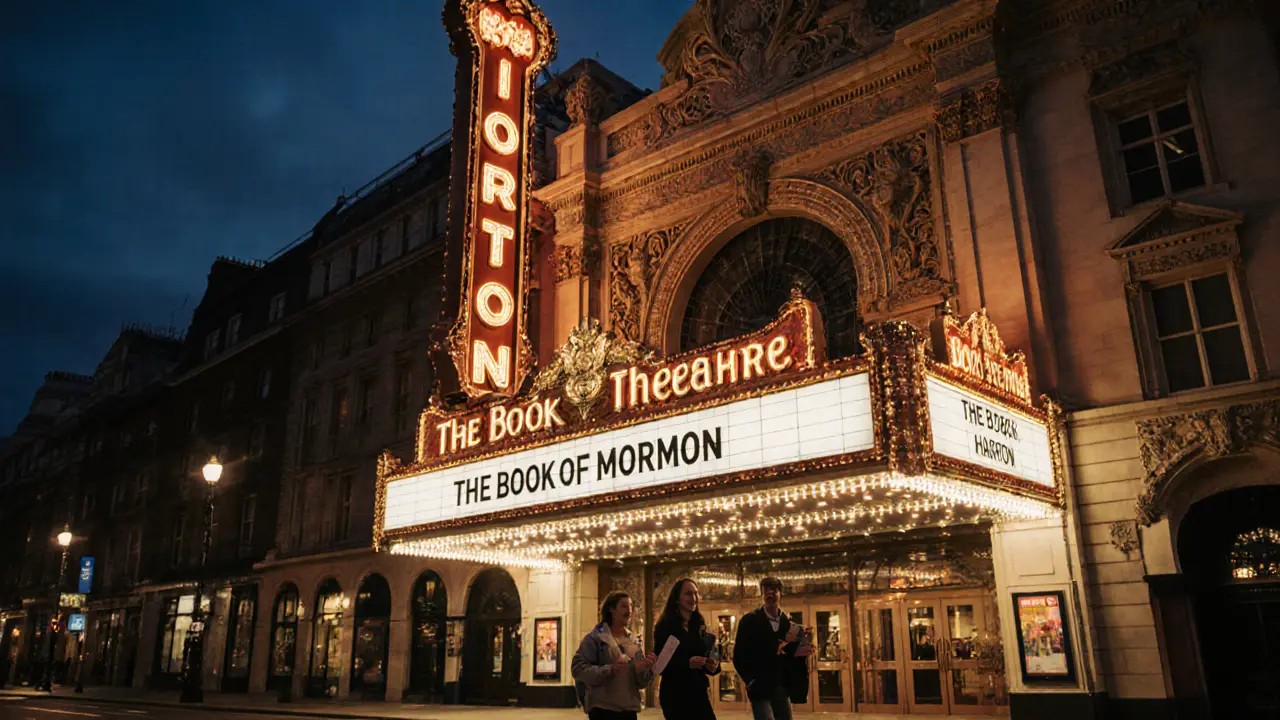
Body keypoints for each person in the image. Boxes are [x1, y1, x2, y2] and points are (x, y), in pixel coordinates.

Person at [733, 577, 812, 720]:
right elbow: (739, 655)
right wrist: (751, 681)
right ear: (761, 595)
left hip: (781, 685)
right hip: (759, 685)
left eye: (774, 590)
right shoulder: (749, 621)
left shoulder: (787, 624)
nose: (770, 594)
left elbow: (789, 655)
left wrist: (800, 653)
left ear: (780, 594)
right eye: (766, 591)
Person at [571, 591, 658, 720]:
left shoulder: (633, 640)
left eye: (630, 606)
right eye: (624, 606)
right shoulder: (596, 638)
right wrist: (608, 670)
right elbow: (578, 669)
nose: (628, 610)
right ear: (612, 609)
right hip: (603, 710)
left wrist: (645, 670)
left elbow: (640, 683)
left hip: (628, 710)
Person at [653, 578, 720, 719]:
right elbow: (660, 665)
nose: (693, 598)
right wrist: (687, 663)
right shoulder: (665, 626)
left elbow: (705, 655)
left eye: (695, 593)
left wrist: (712, 665)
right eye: (688, 594)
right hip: (676, 694)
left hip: (698, 691)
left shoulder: (698, 624)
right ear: (677, 598)